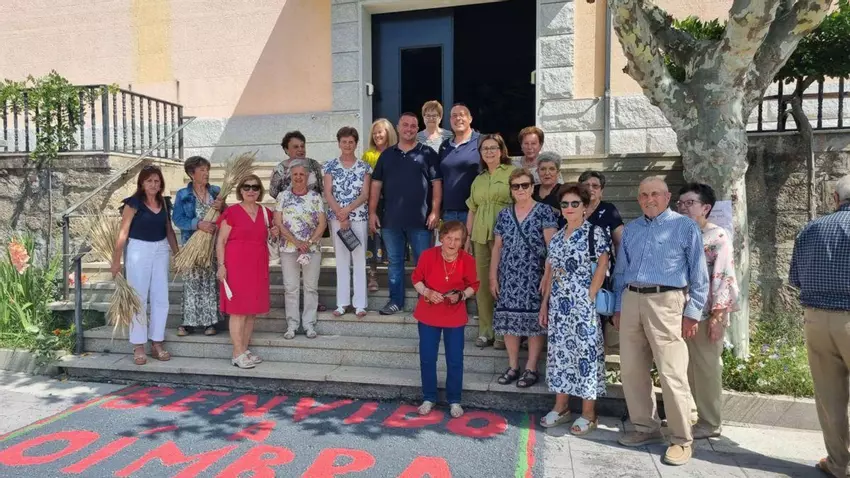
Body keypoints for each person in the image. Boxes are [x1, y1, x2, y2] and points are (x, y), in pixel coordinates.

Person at [612, 176, 709, 466]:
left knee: (671, 372)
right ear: (638, 199)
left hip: (667, 301)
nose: (649, 199)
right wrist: (618, 307)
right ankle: (646, 427)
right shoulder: (631, 229)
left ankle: (681, 439)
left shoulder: (685, 226)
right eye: (644, 195)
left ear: (667, 198)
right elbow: (620, 271)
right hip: (631, 299)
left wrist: (693, 312)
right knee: (632, 369)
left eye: (655, 194)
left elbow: (699, 274)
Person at [789, 174, 850, 478]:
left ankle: (839, 463)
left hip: (816, 319)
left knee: (829, 395)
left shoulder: (810, 228)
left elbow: (795, 278)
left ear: (835, 199)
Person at [539, 183, 610, 435]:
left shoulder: (595, 233)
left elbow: (602, 265)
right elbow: (551, 273)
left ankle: (589, 413)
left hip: (583, 306)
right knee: (560, 356)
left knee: (585, 355)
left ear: (584, 207)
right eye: (565, 204)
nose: (569, 208)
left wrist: (590, 296)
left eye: (575, 203)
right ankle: (561, 407)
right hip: (559, 307)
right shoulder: (557, 237)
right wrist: (545, 304)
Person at [676, 182, 740, 439]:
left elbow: (724, 277)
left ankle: (710, 422)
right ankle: (693, 414)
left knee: (706, 368)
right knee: (686, 368)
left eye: (690, 203)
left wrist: (718, 316)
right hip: (679, 312)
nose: (683, 208)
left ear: (706, 208)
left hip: (705, 314)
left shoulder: (717, 236)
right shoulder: (679, 233)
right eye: (680, 203)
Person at [369, 112, 443, 315]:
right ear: (398, 127)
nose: (409, 129)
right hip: (391, 220)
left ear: (417, 129)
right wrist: (372, 212)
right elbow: (376, 185)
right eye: (405, 125)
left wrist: (435, 211)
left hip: (421, 220)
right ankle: (395, 301)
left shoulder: (427, 153)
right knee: (394, 263)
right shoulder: (387, 155)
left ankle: (425, 300)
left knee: (423, 263)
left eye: (413, 126)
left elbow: (437, 184)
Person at [491, 169, 557, 388]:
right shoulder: (504, 214)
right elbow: (497, 247)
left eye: (525, 185)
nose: (520, 189)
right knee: (509, 320)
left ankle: (531, 367)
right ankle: (513, 366)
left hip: (534, 276)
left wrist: (547, 275)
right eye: (516, 186)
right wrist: (493, 276)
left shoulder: (544, 211)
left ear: (532, 187)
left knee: (534, 322)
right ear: (511, 189)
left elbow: (552, 247)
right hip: (508, 276)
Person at [111, 165, 180, 366]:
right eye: (149, 180)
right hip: (139, 249)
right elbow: (123, 232)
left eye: (157, 181)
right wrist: (116, 260)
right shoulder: (133, 204)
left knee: (161, 297)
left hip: (161, 249)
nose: (153, 184)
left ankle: (157, 342)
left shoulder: (164, 203)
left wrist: (177, 254)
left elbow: (169, 230)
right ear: (142, 183)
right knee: (138, 297)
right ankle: (138, 345)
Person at [411, 221, 479, 418]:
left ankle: (455, 400)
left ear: (462, 242)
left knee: (455, 359)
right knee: (427, 358)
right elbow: (416, 279)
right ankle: (428, 398)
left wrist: (462, 295)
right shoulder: (428, 255)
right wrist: (427, 292)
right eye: (449, 238)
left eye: (457, 239)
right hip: (428, 313)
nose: (452, 243)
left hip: (454, 315)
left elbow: (474, 285)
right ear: (441, 238)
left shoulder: (468, 260)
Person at [216, 174, 276, 369]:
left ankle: (244, 349)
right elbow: (221, 241)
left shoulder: (266, 213)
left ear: (260, 191)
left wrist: (275, 233)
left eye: (255, 187)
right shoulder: (232, 212)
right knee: (238, 310)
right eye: (247, 187)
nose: (251, 190)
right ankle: (237, 353)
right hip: (236, 265)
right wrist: (221, 265)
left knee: (251, 311)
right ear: (240, 190)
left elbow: (271, 237)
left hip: (258, 264)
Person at [465, 133, 515, 349]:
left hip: (504, 236)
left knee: (503, 282)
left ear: (501, 151)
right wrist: (467, 237)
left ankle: (503, 333)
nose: (489, 152)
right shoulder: (479, 179)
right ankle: (486, 331)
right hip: (479, 236)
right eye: (485, 148)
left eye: (493, 147)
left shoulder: (512, 173)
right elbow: (472, 209)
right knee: (482, 284)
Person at [172, 156, 225, 336]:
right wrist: (198, 224)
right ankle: (189, 322)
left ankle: (210, 322)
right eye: (202, 170)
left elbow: (227, 216)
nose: (206, 173)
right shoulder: (183, 194)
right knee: (192, 282)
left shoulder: (216, 191)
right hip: (192, 244)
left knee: (209, 282)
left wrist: (222, 207)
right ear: (191, 173)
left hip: (212, 244)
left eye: (207, 170)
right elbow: (178, 219)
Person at [275, 161, 327, 339]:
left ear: (307, 177)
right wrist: (296, 242)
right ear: (291, 176)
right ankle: (292, 325)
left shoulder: (315, 197)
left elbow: (322, 223)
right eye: (295, 174)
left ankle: (309, 324)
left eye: (302, 174)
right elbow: (278, 222)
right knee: (291, 287)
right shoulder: (282, 196)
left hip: (311, 248)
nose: (298, 177)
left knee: (311, 287)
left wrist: (309, 242)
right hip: (289, 248)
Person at [324, 127, 371, 318]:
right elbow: (328, 193)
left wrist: (347, 211)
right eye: (344, 142)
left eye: (351, 142)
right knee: (342, 261)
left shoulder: (364, 167)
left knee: (359, 260)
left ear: (356, 144)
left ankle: (360, 304)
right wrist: (340, 214)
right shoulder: (330, 166)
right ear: (339, 143)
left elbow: (365, 194)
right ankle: (342, 303)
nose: (347, 145)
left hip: (358, 217)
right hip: (337, 219)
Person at [362, 118, 397, 292]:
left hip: (393, 203)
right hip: (374, 203)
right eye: (374, 133)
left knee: (393, 240)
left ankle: (394, 278)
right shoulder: (368, 155)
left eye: (380, 132)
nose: (377, 136)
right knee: (373, 239)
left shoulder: (397, 152)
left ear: (388, 133)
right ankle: (373, 276)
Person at [437, 103, 481, 224]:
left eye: (462, 115)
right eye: (454, 115)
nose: (458, 118)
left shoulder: (481, 142)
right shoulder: (445, 146)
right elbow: (439, 179)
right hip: (448, 213)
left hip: (474, 211)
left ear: (470, 119)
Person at [269, 130, 325, 199]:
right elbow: (273, 193)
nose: (300, 149)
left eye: (302, 146)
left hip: (313, 203)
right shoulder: (280, 169)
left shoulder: (314, 164)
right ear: (286, 150)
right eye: (296, 147)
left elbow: (321, 188)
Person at [579, 171, 624, 249]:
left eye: (595, 186)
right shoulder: (572, 208)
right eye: (586, 185)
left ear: (601, 191)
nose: (590, 189)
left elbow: (619, 242)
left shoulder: (609, 210)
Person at [532, 152, 564, 228]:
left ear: (558, 172)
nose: (547, 173)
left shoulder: (565, 191)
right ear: (537, 171)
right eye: (543, 169)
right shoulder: (531, 191)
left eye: (551, 169)